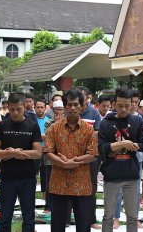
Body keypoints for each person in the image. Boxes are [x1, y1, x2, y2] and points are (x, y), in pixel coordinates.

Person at [45, 89, 98, 232]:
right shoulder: (54, 129)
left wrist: (73, 161)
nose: (72, 108)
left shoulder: (89, 130)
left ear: (82, 106)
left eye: (76, 104)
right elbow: (48, 152)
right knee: (57, 225)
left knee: (83, 226)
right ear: (65, 106)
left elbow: (93, 154)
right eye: (69, 105)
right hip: (58, 184)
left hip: (81, 185)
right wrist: (63, 163)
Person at [0, 92, 43, 232]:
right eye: (12, 109)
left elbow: (38, 153)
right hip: (8, 178)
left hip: (28, 177)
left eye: (18, 109)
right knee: (5, 219)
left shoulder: (32, 126)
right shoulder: (1, 126)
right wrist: (13, 153)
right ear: (8, 107)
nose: (15, 112)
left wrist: (14, 153)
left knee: (28, 219)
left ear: (24, 107)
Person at [99, 89, 143, 232]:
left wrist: (133, 145)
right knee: (108, 215)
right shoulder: (106, 122)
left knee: (132, 216)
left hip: (131, 175)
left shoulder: (137, 120)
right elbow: (101, 147)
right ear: (114, 104)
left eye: (128, 105)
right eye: (120, 105)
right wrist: (121, 144)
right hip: (111, 175)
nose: (124, 109)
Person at [77, 86, 103, 229]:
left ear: (88, 97)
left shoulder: (94, 113)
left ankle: (91, 219)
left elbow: (97, 133)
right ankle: (68, 218)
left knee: (91, 187)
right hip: (71, 155)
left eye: (83, 97)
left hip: (90, 155)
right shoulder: (72, 111)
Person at [43, 100, 65, 214]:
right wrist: (57, 124)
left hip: (64, 157)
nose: (59, 112)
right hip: (50, 158)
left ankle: (63, 208)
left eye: (61, 109)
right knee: (49, 183)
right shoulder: (48, 122)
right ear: (53, 110)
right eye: (57, 109)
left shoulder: (68, 122)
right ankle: (48, 206)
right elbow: (49, 137)